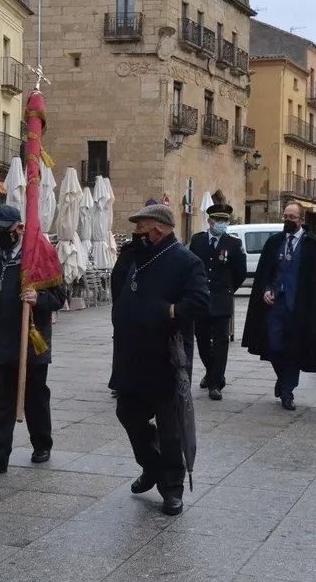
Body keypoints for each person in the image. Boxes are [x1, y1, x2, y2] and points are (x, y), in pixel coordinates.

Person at [109, 204, 209, 516]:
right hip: (130, 353)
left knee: (170, 426)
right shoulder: (135, 255)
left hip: (166, 355)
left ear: (158, 230)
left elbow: (199, 301)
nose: (135, 233)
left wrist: (167, 312)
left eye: (141, 227)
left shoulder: (185, 261)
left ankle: (172, 487)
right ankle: (151, 465)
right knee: (127, 412)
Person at [0, 205, 67, 479]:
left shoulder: (39, 258)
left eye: (6, 230)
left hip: (31, 340)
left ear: (19, 229)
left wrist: (39, 299)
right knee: (0, 400)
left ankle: (41, 443)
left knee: (35, 396)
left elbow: (60, 296)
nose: (1, 235)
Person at [241, 201, 316, 410]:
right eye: (286, 217)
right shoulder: (274, 242)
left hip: (299, 306)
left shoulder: (312, 245)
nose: (288, 221)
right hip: (275, 305)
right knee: (273, 345)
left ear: (301, 220)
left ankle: (287, 391)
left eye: (292, 217)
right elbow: (264, 272)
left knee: (294, 349)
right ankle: (282, 379)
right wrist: (265, 289)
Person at [188, 203, 247, 400]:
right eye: (219, 220)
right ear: (210, 221)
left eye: (225, 221)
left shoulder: (233, 243)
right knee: (203, 341)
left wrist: (228, 290)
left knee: (221, 341)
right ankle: (211, 371)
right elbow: (191, 268)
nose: (222, 224)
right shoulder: (197, 241)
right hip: (201, 298)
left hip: (222, 299)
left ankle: (215, 383)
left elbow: (240, 272)